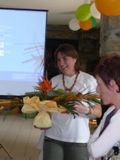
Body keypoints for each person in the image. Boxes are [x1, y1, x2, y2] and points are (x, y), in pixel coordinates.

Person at [43, 43, 102, 160]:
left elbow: (98, 112)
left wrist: (85, 110)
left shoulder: (89, 80)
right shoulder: (53, 81)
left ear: (75, 59)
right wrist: (42, 119)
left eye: (65, 58)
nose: (61, 63)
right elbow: (47, 108)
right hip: (52, 137)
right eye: (59, 60)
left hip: (78, 139)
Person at [88, 54, 120, 159]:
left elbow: (95, 150)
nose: (97, 90)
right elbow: (93, 144)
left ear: (112, 84)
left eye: (99, 84)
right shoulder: (111, 111)